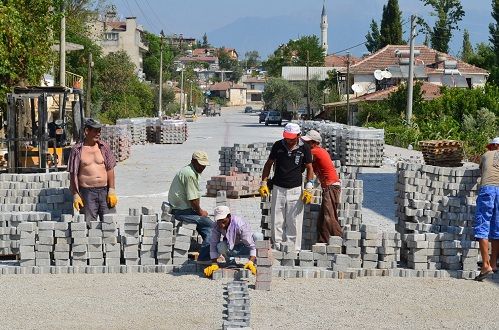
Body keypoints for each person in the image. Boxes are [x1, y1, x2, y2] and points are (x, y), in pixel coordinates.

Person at [259, 122, 314, 251]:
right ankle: (277, 247)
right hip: (278, 188)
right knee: (277, 220)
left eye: (291, 138)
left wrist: (309, 187)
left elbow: (309, 167)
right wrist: (263, 183)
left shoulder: (304, 147)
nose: (288, 141)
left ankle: (293, 249)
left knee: (294, 220)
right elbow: (268, 164)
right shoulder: (278, 145)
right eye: (286, 138)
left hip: (295, 188)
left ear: (298, 136)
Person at [68, 118, 118, 222]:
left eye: (99, 131)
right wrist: (75, 194)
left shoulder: (104, 147)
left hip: (104, 191)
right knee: (89, 225)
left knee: (109, 224)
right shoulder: (77, 150)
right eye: (95, 131)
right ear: (87, 131)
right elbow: (73, 174)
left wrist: (112, 190)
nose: (98, 133)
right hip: (87, 193)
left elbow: (110, 169)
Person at [168, 151, 214, 254]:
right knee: (211, 225)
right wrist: (200, 212)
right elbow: (193, 200)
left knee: (204, 223)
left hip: (183, 208)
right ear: (193, 161)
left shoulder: (190, 171)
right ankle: (205, 255)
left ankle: (209, 249)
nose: (203, 167)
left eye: (204, 165)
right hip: (181, 211)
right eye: (201, 164)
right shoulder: (190, 174)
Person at [301, 130, 342, 243]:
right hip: (329, 187)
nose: (305, 144)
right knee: (322, 219)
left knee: (329, 216)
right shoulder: (319, 151)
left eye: (308, 142)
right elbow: (312, 171)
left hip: (331, 187)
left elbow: (305, 164)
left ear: (314, 143)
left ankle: (341, 241)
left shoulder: (315, 152)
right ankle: (322, 243)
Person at [203, 205, 261, 277]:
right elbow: (213, 244)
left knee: (258, 236)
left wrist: (251, 262)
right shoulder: (216, 226)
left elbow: (251, 246)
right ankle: (230, 262)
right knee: (220, 246)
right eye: (219, 222)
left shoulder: (240, 225)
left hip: (246, 247)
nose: (222, 225)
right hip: (232, 246)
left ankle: (256, 260)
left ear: (229, 216)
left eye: (224, 221)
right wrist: (214, 264)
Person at [474, 137, 499, 281]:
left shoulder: (485, 155)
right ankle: (494, 264)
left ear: (494, 145)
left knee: (482, 224)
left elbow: (481, 171)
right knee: (496, 228)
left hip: (488, 190)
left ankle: (485, 265)